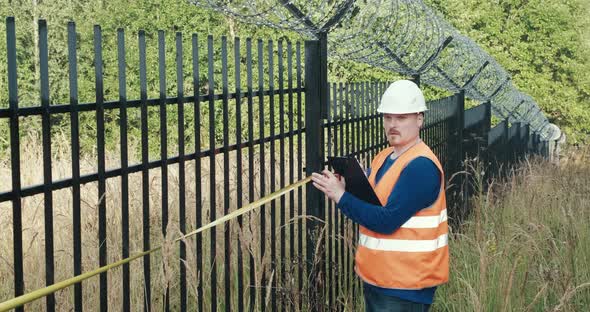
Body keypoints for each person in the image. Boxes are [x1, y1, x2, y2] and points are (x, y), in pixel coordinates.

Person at [312, 79, 448, 311]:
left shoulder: (421, 166)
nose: (393, 124)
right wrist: (346, 185)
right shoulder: (384, 157)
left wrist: (341, 196)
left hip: (405, 287)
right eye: (388, 117)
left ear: (419, 119)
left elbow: (386, 221)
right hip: (380, 279)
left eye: (401, 118)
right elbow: (372, 200)